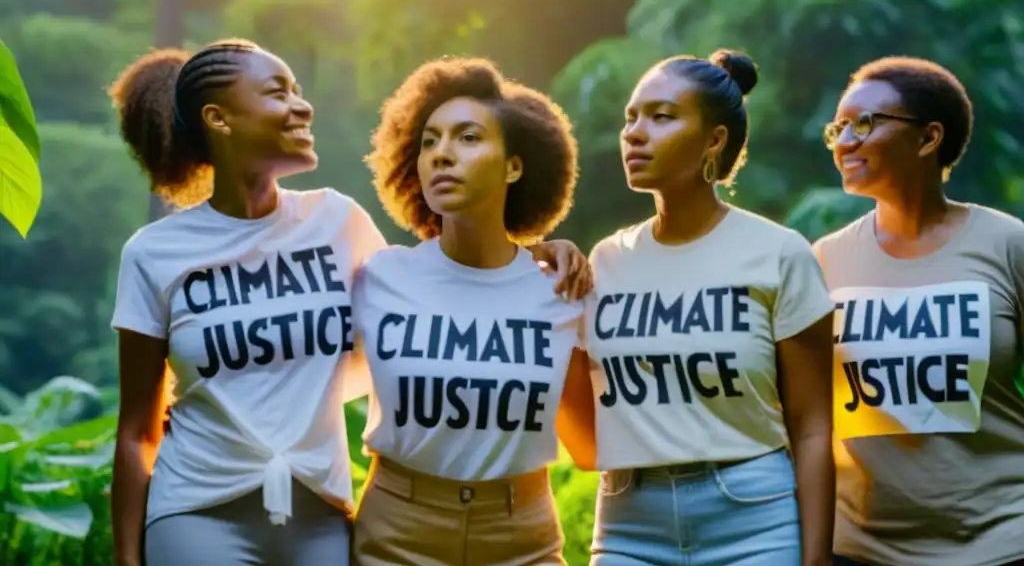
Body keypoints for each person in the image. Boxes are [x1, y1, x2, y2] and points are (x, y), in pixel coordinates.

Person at [107, 40, 590, 566]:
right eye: (279, 92)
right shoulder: (156, 253)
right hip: (215, 504)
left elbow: (447, 290)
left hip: (327, 513)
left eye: (298, 89)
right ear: (219, 118)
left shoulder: (338, 223)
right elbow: (136, 427)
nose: (303, 105)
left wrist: (531, 255)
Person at [581, 50, 835, 566]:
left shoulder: (780, 254)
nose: (634, 132)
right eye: (631, 117)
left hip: (753, 519)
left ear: (714, 140)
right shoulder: (605, 260)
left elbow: (812, 427)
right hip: (630, 522)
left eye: (661, 116)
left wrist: (815, 560)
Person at [350, 57, 596, 566]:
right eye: (429, 141)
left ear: (515, 165)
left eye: (467, 138)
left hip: (520, 536)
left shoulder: (560, 288)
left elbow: (590, 448)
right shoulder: (378, 278)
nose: (442, 155)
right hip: (397, 531)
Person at [814, 56, 1024, 566]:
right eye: (838, 127)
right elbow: (804, 416)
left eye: (865, 123)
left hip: (1003, 540)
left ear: (929, 139)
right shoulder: (820, 260)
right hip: (861, 550)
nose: (845, 141)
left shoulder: (1008, 245)